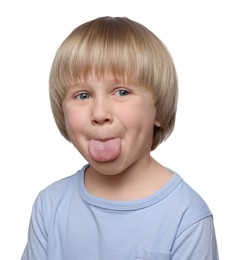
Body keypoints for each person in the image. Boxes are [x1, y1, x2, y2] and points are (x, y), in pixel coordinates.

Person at [21, 16, 219, 259]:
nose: (100, 114)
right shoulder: (49, 206)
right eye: (82, 95)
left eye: (122, 92)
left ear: (157, 108)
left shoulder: (185, 216)